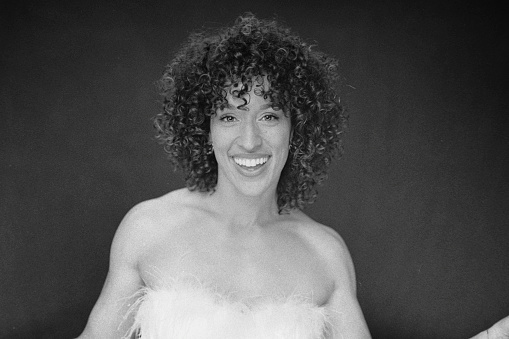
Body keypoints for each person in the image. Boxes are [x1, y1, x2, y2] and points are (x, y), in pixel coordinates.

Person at [76, 13, 508, 339]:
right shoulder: (147, 228)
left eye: (269, 114)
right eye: (228, 115)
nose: (249, 140)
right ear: (202, 130)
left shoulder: (324, 254)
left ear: (295, 127)